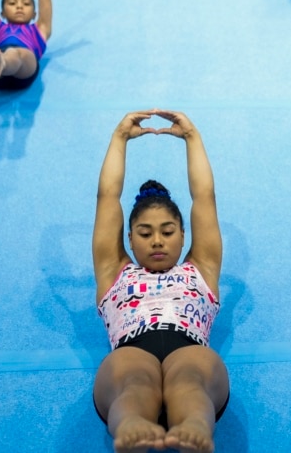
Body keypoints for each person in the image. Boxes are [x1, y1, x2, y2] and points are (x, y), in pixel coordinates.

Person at [92, 109, 230, 453]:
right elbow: (107, 197)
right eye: (145, 232)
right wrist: (119, 138)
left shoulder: (201, 269)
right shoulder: (114, 271)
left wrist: (192, 138)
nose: (157, 240)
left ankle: (195, 425)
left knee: (190, 380)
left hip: (189, 347)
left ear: (183, 236)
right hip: (131, 350)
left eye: (167, 232)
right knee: (136, 382)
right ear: (129, 237)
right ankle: (131, 425)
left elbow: (205, 198)